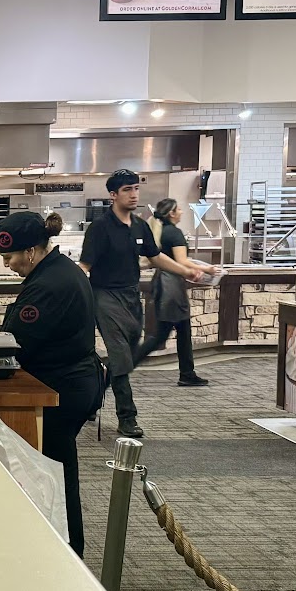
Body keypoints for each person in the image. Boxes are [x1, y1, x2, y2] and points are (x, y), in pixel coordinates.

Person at [0, 210, 100, 556]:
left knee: (54, 474)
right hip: (70, 381)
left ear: (30, 251)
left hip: (62, 389)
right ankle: (63, 549)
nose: (7, 264)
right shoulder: (56, 271)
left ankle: (67, 552)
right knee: (55, 471)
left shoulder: (50, 284)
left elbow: (18, 341)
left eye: (9, 257)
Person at [79, 169, 204, 438]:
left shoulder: (139, 226)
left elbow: (155, 257)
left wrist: (186, 271)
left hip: (131, 297)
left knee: (127, 356)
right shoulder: (99, 228)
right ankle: (127, 417)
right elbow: (84, 266)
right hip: (104, 296)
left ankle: (90, 401)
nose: (134, 194)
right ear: (113, 195)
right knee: (121, 356)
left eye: (136, 188)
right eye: (127, 190)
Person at [133, 198, 210, 387]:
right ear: (171, 213)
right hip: (172, 286)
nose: (182, 212)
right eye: (179, 209)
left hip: (164, 283)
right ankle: (121, 367)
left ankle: (187, 373)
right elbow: (181, 261)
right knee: (160, 335)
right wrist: (208, 269)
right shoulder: (174, 233)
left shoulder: (161, 231)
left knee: (183, 329)